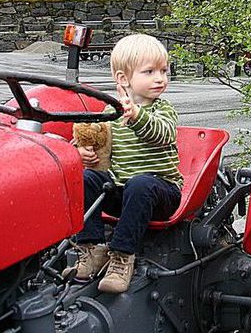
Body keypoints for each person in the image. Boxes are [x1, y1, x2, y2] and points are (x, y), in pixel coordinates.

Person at [64, 33, 181, 293]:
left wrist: (137, 115)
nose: (160, 78)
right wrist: (82, 151)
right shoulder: (111, 113)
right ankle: (93, 248)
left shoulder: (163, 109)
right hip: (123, 192)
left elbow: (163, 134)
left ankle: (122, 257)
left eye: (164, 70)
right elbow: (94, 137)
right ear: (123, 79)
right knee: (88, 178)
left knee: (140, 184)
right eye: (149, 71)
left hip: (161, 193)